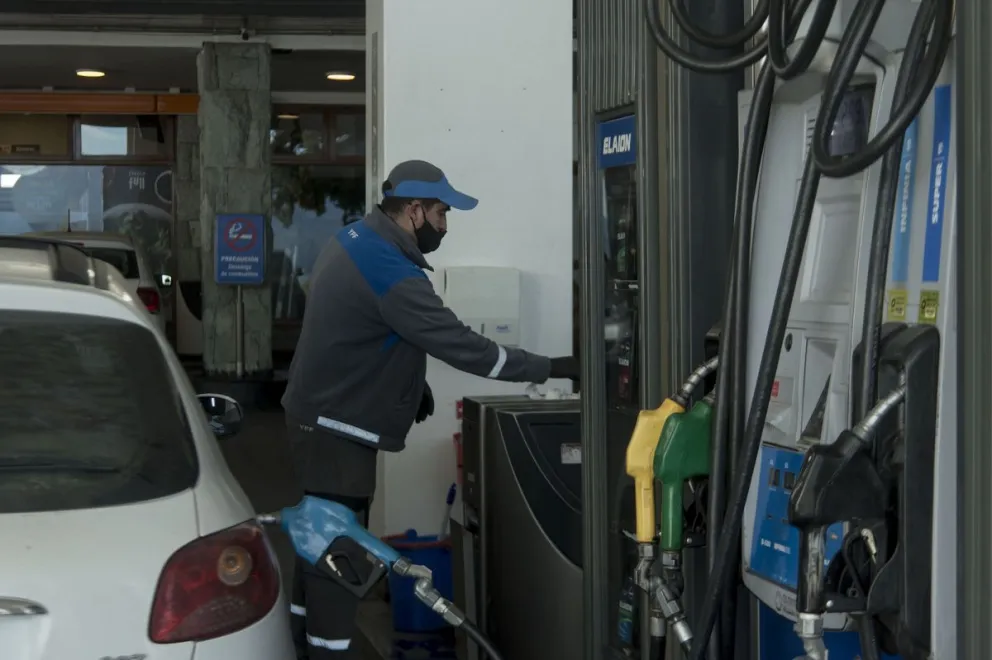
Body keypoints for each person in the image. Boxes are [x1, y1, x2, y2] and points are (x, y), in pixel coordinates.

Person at [281, 159, 580, 658]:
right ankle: (325, 650)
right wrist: (556, 367)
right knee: (338, 552)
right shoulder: (393, 271)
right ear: (414, 210)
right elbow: (464, 347)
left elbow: (353, 324)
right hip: (336, 429)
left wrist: (405, 383)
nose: (445, 225)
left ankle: (297, 641)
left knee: (318, 536)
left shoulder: (355, 238)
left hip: (319, 415)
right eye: (442, 213)